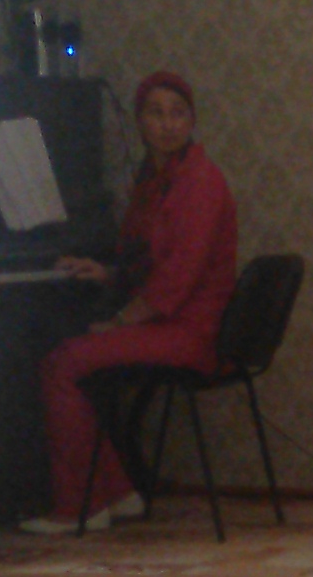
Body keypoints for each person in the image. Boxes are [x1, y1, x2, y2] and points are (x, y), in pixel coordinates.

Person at [23, 69, 242, 536]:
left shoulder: (200, 182)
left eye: (178, 114)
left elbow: (177, 280)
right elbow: (146, 262)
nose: (167, 124)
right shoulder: (154, 181)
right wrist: (105, 272)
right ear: (140, 120)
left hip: (190, 332)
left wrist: (121, 320)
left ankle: (79, 505)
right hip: (165, 324)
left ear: (192, 121)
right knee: (65, 352)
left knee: (62, 363)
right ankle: (117, 492)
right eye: (156, 113)